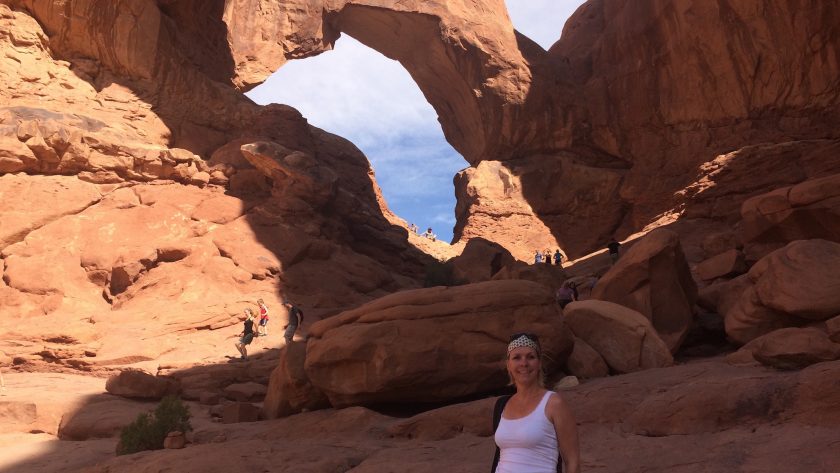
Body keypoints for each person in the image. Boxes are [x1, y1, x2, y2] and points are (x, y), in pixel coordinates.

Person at [491, 333, 580, 473]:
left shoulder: (553, 403)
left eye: (530, 357)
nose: (524, 363)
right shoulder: (502, 405)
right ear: (508, 365)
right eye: (516, 357)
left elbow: (572, 461)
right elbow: (499, 457)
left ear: (539, 363)